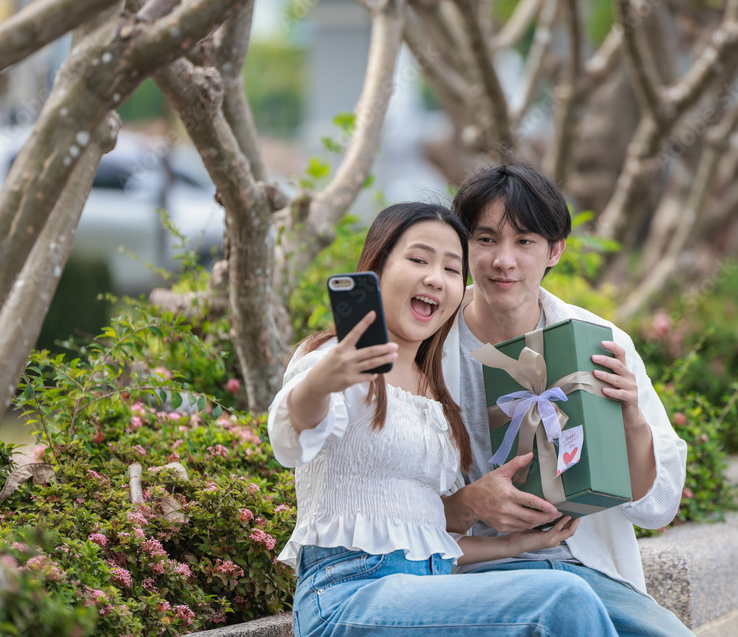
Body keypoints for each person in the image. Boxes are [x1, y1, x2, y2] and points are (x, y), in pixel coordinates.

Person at [269, 202, 620, 636]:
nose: (436, 278)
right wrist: (320, 384)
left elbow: (424, 539)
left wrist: (514, 544)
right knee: (563, 600)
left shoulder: (434, 392)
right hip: (348, 598)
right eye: (419, 260)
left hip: (423, 593)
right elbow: (291, 434)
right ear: (377, 268)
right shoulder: (333, 360)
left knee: (566, 594)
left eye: (452, 269)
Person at [441, 163, 694, 636]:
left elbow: (656, 507)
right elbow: (397, 509)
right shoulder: (430, 346)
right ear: (464, 244)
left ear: (555, 250)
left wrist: (630, 420)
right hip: (473, 575)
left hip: (586, 565)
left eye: (524, 241)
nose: (503, 261)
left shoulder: (599, 341)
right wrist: (470, 504)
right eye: (486, 239)